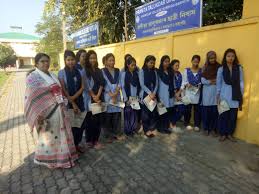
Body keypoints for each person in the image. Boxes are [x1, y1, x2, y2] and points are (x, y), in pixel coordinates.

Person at [24, 53, 78, 168]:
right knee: (50, 138)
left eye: (47, 61)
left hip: (59, 111)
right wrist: (39, 114)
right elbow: (32, 98)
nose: (46, 63)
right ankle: (51, 161)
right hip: (46, 114)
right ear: (36, 64)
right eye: (42, 61)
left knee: (60, 136)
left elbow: (59, 90)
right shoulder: (32, 78)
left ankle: (63, 158)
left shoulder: (52, 75)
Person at [58, 50, 86, 153]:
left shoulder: (80, 71)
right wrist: (72, 102)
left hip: (79, 100)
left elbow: (83, 86)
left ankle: (77, 144)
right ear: (65, 61)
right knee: (72, 126)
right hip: (68, 103)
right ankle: (72, 148)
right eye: (68, 60)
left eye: (72, 59)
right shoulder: (61, 72)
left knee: (81, 124)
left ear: (75, 60)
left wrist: (74, 97)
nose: (71, 62)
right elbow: (63, 89)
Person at [217, 48, 244, 142]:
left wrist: (241, 93)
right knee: (224, 115)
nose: (230, 58)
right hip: (224, 95)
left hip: (235, 95)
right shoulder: (221, 69)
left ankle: (230, 134)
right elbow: (219, 83)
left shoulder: (239, 68)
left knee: (233, 117)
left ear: (235, 57)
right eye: (228, 56)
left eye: (232, 56)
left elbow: (241, 81)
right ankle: (222, 134)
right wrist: (218, 96)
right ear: (225, 57)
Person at [83, 50, 105, 149]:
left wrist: (98, 96)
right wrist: (94, 96)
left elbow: (102, 83)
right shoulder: (85, 71)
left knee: (98, 120)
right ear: (87, 59)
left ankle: (95, 140)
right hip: (90, 99)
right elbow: (86, 86)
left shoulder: (99, 70)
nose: (93, 60)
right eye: (91, 58)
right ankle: (89, 140)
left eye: (94, 58)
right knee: (90, 121)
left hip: (99, 98)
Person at [102, 53, 124, 142]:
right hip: (108, 96)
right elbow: (104, 83)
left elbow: (120, 82)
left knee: (117, 116)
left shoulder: (118, 70)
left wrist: (116, 93)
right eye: (110, 60)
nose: (112, 62)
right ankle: (108, 135)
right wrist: (111, 94)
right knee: (108, 116)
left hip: (117, 95)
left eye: (113, 60)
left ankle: (117, 133)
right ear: (106, 61)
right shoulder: (102, 71)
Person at [201, 51, 221, 136]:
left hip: (216, 92)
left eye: (214, 58)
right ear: (208, 58)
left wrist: (212, 81)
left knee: (214, 112)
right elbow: (202, 80)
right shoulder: (205, 67)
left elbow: (220, 79)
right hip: (206, 93)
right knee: (206, 113)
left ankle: (213, 129)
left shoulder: (219, 67)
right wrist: (211, 81)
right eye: (211, 58)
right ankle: (206, 129)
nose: (212, 60)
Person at [139, 55, 159, 138]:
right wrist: (150, 93)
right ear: (146, 62)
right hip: (145, 95)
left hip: (153, 95)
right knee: (145, 114)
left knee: (152, 112)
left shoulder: (154, 71)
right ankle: (146, 129)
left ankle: (152, 128)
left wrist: (153, 93)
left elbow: (157, 83)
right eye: (150, 62)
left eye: (153, 63)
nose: (152, 64)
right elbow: (142, 84)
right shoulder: (142, 71)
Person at [120, 56, 141, 136]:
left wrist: (138, 97)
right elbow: (122, 87)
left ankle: (133, 129)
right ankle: (128, 130)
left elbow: (138, 86)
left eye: (135, 65)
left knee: (134, 114)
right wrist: (126, 99)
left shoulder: (136, 74)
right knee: (128, 114)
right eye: (132, 65)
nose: (134, 66)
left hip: (135, 97)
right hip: (128, 98)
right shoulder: (124, 74)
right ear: (128, 65)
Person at [181, 55, 202, 131]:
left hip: (197, 93)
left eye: (197, 61)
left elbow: (202, 81)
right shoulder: (186, 70)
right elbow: (183, 81)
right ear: (191, 61)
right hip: (188, 93)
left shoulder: (201, 71)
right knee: (187, 109)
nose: (195, 63)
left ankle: (197, 124)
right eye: (194, 61)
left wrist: (200, 85)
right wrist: (186, 84)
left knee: (197, 110)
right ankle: (186, 123)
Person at [157, 55, 174, 134]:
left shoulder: (171, 71)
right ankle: (160, 127)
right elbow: (157, 84)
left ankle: (166, 127)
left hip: (169, 94)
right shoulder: (158, 72)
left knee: (168, 111)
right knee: (162, 111)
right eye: (165, 61)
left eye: (168, 61)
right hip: (161, 93)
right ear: (162, 62)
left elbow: (173, 83)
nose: (167, 63)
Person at [171, 59, 184, 132]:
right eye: (176, 65)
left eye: (178, 65)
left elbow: (182, 83)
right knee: (172, 110)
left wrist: (179, 92)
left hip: (179, 94)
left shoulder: (179, 74)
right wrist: (175, 94)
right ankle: (173, 123)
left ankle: (173, 122)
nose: (177, 67)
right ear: (172, 66)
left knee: (181, 109)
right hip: (172, 95)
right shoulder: (170, 74)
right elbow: (171, 85)